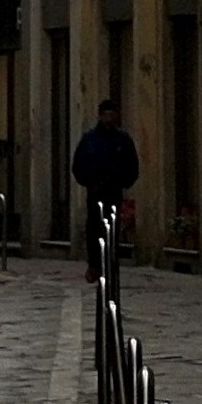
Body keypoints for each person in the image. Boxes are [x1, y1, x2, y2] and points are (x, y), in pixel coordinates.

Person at [71, 97, 140, 280]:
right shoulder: (90, 139)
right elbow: (78, 165)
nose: (109, 118)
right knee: (93, 226)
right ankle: (94, 264)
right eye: (106, 114)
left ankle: (111, 262)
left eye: (112, 114)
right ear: (100, 116)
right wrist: (88, 181)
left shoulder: (123, 140)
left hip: (114, 191)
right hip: (94, 191)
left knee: (113, 227)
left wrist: (124, 182)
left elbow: (132, 165)